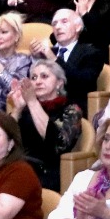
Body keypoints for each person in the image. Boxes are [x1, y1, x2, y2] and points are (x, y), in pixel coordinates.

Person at [10, 59, 84, 191]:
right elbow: (4, 139)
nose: (38, 81)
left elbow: (59, 144)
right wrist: (18, 108)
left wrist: (32, 102)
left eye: (44, 76)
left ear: (59, 83)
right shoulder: (25, 109)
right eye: (34, 77)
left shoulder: (71, 109)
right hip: (18, 165)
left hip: (47, 170)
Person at [33, 9, 106, 111]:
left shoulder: (91, 53)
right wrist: (35, 59)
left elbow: (83, 84)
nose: (58, 27)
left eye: (64, 21)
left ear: (78, 27)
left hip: (73, 109)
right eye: (54, 24)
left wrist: (54, 59)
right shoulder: (46, 53)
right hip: (42, 106)